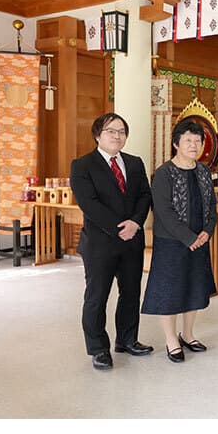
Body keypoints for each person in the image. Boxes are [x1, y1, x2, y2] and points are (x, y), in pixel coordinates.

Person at [70, 113, 153, 371]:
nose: (117, 136)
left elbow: (144, 196)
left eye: (121, 131)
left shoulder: (135, 163)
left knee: (131, 293)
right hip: (100, 243)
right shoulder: (82, 165)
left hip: (132, 241)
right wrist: (119, 228)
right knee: (97, 296)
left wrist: (136, 223)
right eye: (111, 131)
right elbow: (89, 204)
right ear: (97, 135)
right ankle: (98, 349)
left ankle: (127, 340)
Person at [141, 119, 217, 362]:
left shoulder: (204, 171)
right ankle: (171, 339)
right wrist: (188, 237)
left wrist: (207, 230)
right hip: (172, 242)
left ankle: (189, 334)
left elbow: (212, 207)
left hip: (200, 240)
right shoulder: (164, 173)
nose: (194, 145)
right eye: (188, 140)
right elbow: (163, 211)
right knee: (170, 290)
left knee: (194, 286)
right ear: (176, 144)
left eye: (198, 141)